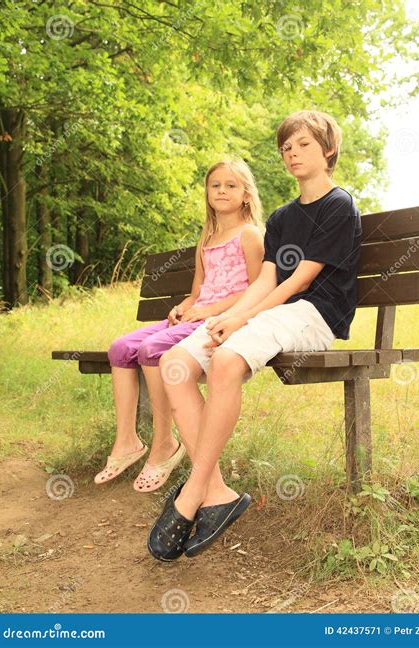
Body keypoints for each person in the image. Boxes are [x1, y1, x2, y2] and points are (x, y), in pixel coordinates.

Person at [147, 110, 362, 561]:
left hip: (314, 315)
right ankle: (218, 491)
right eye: (286, 147)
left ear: (328, 151)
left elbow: (299, 281)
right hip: (274, 314)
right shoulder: (282, 217)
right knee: (175, 364)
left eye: (303, 145)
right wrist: (234, 315)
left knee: (226, 360)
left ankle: (192, 494)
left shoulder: (338, 205)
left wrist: (242, 321)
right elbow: (265, 281)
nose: (292, 153)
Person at [94, 158, 265, 492]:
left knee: (152, 349)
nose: (221, 191)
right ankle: (127, 441)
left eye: (231, 185)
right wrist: (184, 306)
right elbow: (197, 290)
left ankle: (164, 444)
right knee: (120, 348)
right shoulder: (209, 236)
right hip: (198, 313)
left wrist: (208, 310)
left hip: (222, 319)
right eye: (215, 185)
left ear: (246, 194)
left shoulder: (250, 235)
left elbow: (258, 290)